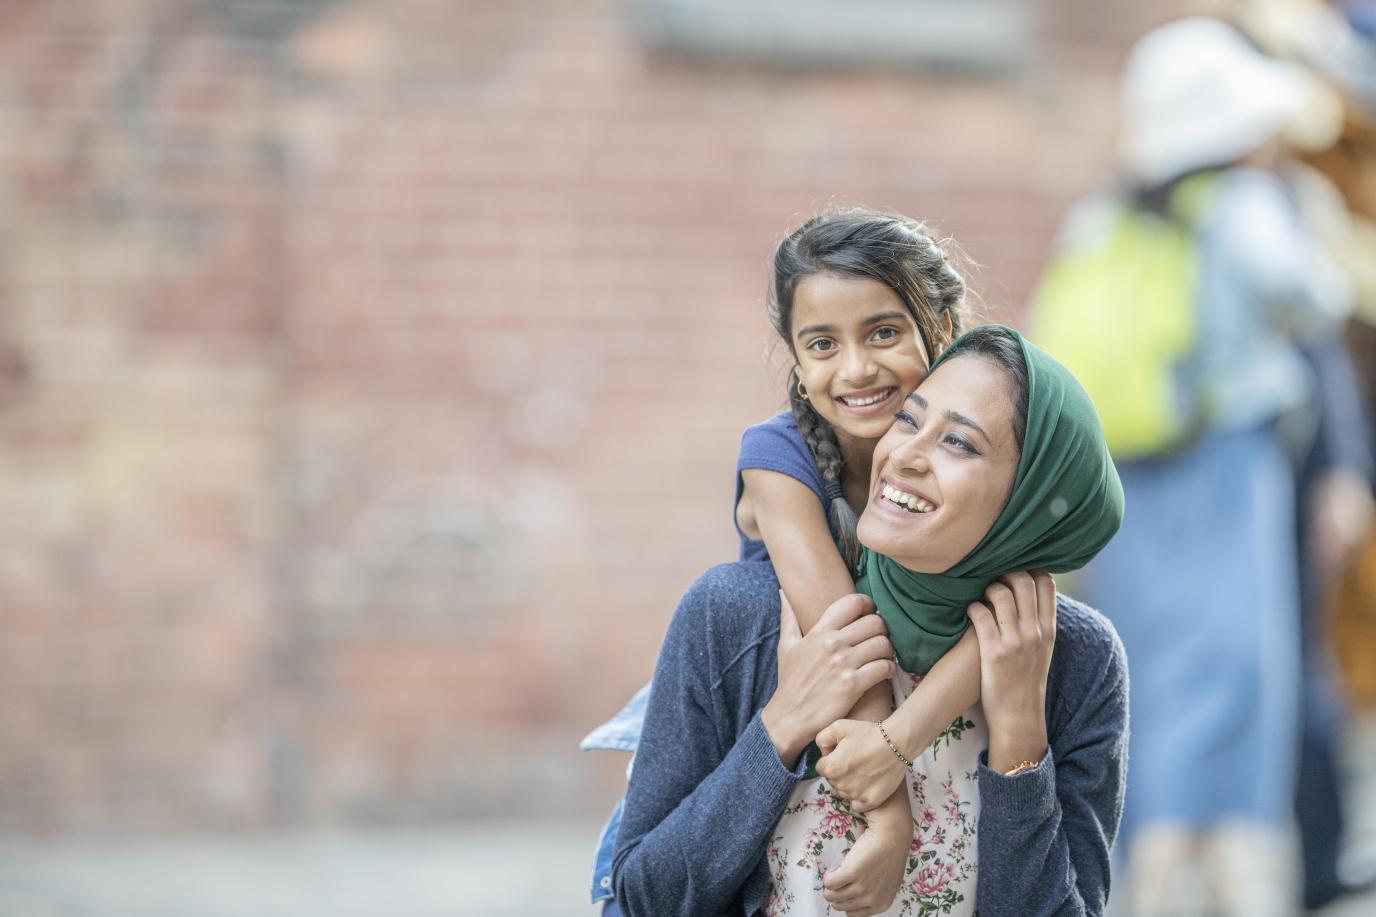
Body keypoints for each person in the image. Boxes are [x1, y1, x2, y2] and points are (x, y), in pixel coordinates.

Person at [612, 325, 1128, 917]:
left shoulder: (1075, 660)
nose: (903, 455)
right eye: (909, 420)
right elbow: (644, 898)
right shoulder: (737, 614)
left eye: (958, 443)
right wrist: (781, 726)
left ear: (1031, 501)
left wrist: (1018, 736)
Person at [587, 210, 991, 913]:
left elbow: (1011, 613)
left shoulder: (980, 457)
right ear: (799, 367)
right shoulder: (779, 457)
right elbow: (844, 635)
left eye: (885, 332)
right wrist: (891, 811)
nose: (857, 366)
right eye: (822, 344)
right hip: (750, 721)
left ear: (945, 332)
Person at [1063, 18, 1355, 916]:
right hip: (1228, 463)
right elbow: (1320, 293)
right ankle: (1222, 873)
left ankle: (1141, 867)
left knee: (1142, 666)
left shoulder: (1107, 217)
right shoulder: (1244, 207)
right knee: (1237, 671)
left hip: (1130, 475)